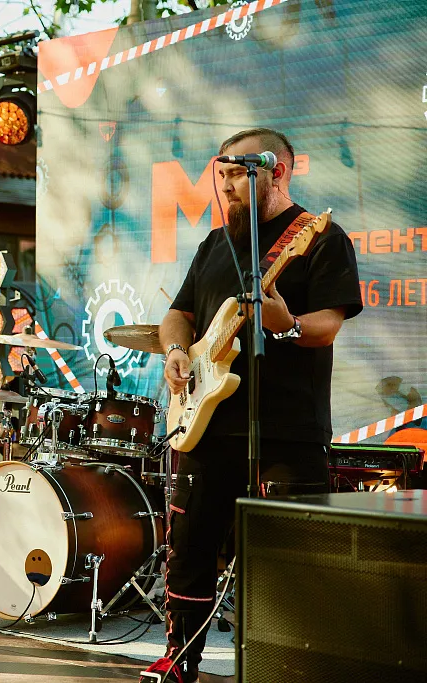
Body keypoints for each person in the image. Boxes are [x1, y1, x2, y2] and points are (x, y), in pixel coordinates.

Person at [141, 128, 363, 683]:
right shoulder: (215, 243)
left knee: (289, 562)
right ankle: (180, 659)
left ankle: (288, 668)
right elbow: (179, 315)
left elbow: (328, 324)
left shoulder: (319, 237)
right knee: (189, 550)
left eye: (237, 175)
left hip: (287, 431)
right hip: (207, 427)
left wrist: (286, 326)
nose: (226, 187)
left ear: (276, 172)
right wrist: (176, 352)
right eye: (221, 176)